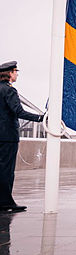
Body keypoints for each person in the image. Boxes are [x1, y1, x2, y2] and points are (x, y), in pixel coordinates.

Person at [0, 61, 44, 212]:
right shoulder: (9, 90)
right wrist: (40, 118)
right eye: (16, 71)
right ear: (10, 73)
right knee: (6, 169)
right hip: (7, 136)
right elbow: (19, 112)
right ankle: (5, 202)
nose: (17, 74)